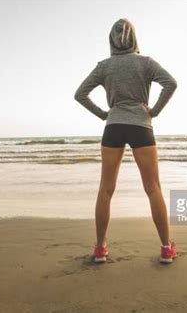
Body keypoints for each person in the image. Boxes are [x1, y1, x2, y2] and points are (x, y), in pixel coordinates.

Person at [74, 18, 178, 264]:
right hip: (141, 126)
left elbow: (80, 94)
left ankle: (100, 249)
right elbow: (170, 84)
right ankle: (166, 248)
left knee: (106, 190)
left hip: (114, 127)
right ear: (134, 39)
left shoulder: (104, 67)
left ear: (111, 39)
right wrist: (154, 111)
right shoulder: (146, 63)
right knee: (153, 188)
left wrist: (104, 114)